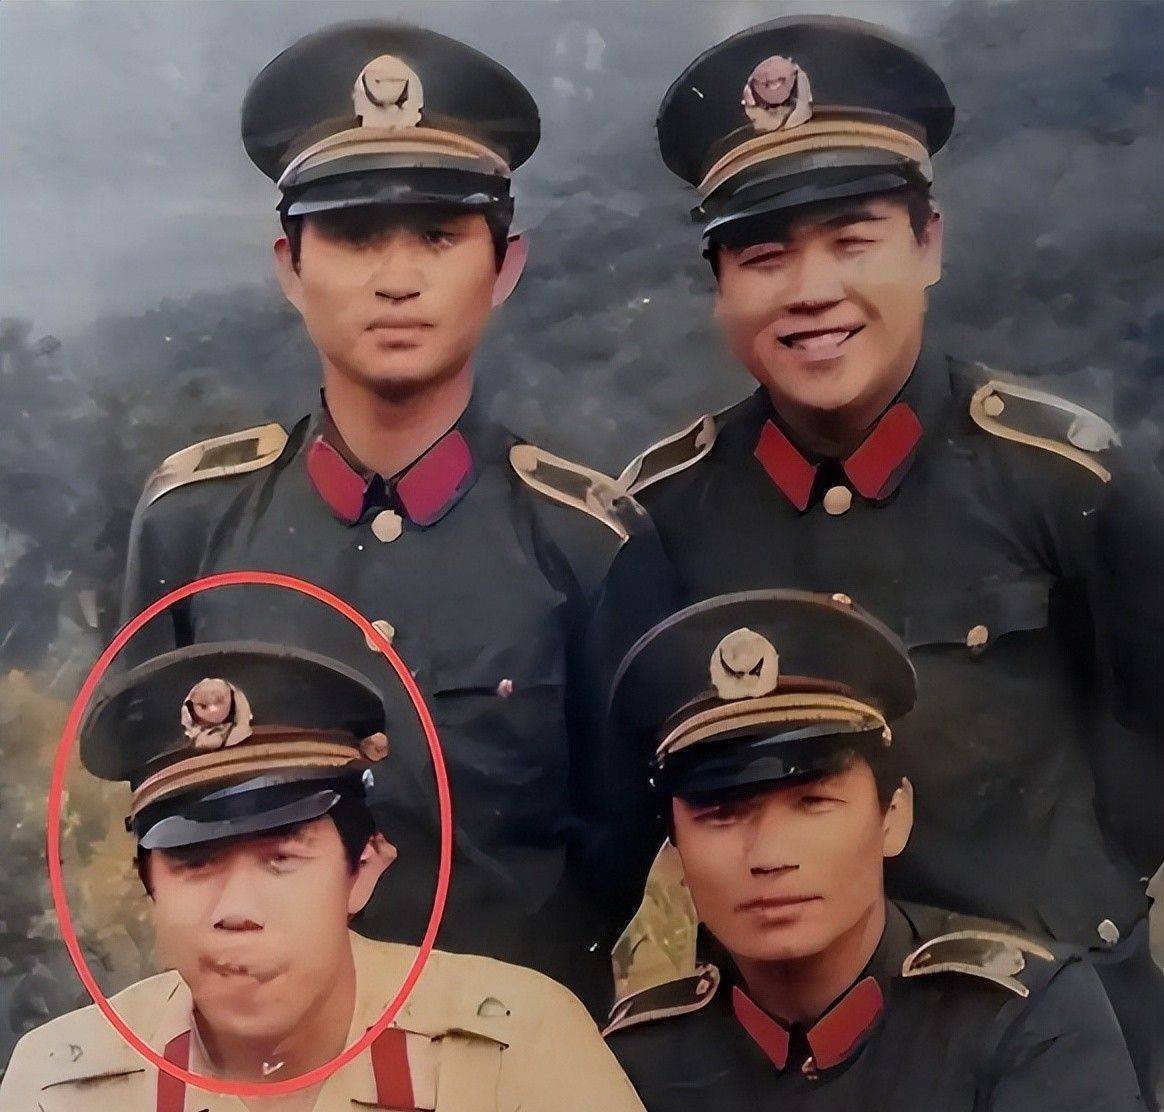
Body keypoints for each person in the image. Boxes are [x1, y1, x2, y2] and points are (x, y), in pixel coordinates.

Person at [616, 14, 1164, 1094]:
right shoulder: (668, 513)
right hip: (778, 1056)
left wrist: (1079, 890)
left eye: (853, 240)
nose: (812, 290)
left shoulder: (1063, 479)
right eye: (765, 256)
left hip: (1066, 1035)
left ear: (929, 244)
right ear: (719, 284)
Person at [118, 21, 672, 1013]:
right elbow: (171, 822)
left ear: (505, 265)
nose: (397, 278)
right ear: (290, 265)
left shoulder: (588, 543)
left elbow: (614, 851)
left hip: (513, 1051)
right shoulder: (192, 525)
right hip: (269, 1054)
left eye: (439, 235)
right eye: (355, 235)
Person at [0, 642, 646, 1111]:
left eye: (281, 859)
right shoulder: (62, 1087)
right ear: (150, 887)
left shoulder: (518, 1049)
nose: (236, 909)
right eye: (194, 864)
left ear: (362, 871)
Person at [602, 589, 1143, 1111]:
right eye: (721, 815)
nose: (768, 856)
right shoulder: (629, 1065)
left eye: (813, 802)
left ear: (893, 816)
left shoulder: (1023, 1022)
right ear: (675, 849)